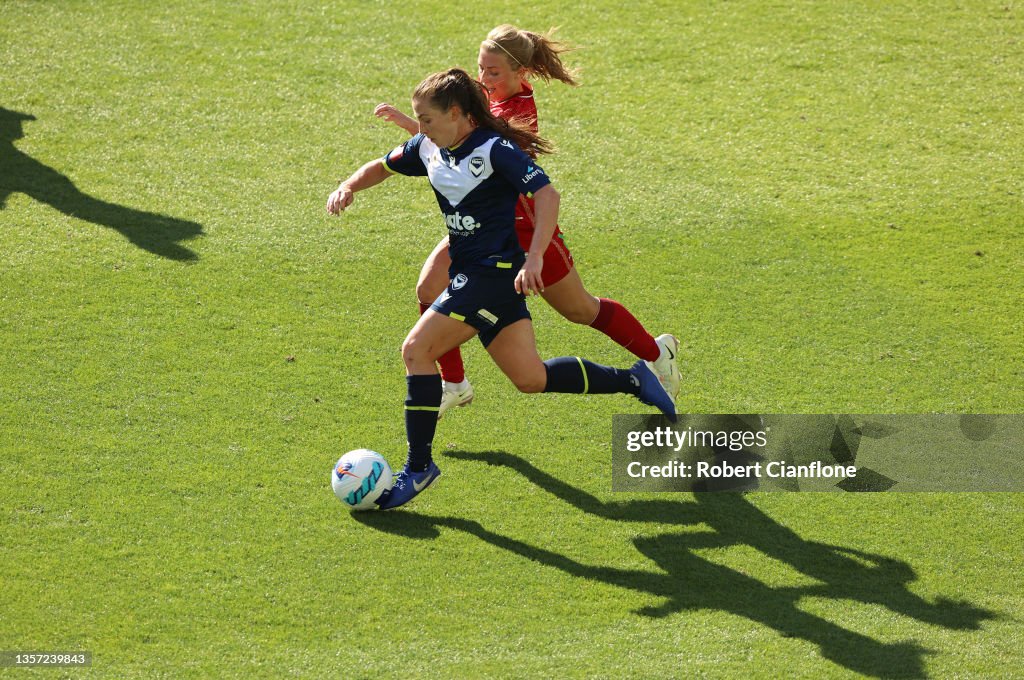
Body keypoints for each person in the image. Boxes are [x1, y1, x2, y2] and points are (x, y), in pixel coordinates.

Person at [327, 69, 676, 509]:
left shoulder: (495, 150)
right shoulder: (430, 146)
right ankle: (633, 378)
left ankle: (418, 467)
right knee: (530, 378)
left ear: (458, 114)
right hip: (477, 274)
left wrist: (535, 257)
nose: (421, 127)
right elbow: (381, 167)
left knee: (416, 351)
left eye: (427, 118)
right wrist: (347, 187)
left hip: (492, 275)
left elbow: (547, 196)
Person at [374, 25, 680, 419]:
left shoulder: (517, 111)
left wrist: (412, 126)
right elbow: (451, 139)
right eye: (481, 69)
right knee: (429, 285)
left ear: (522, 73)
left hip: (526, 229)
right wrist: (414, 124)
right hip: (483, 230)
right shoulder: (487, 101)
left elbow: (468, 144)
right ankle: (454, 384)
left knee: (580, 310)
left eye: (494, 72)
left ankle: (658, 354)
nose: (484, 80)